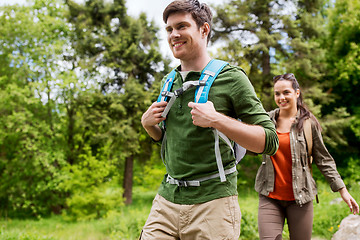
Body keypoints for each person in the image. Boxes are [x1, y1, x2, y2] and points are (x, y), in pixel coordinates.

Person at [139, 0, 279, 239]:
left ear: (204, 30)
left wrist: (217, 120)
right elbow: (168, 140)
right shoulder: (168, 81)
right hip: (166, 200)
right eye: (169, 29)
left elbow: (269, 141)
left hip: (213, 205)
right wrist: (148, 125)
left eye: (182, 26)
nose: (174, 34)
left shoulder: (232, 78)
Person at [255, 73, 360, 240]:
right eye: (277, 93)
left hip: (301, 198)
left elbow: (323, 159)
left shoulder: (308, 124)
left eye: (286, 92)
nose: (281, 97)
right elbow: (250, 146)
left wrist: (342, 190)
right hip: (270, 197)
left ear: (297, 93)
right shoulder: (266, 121)